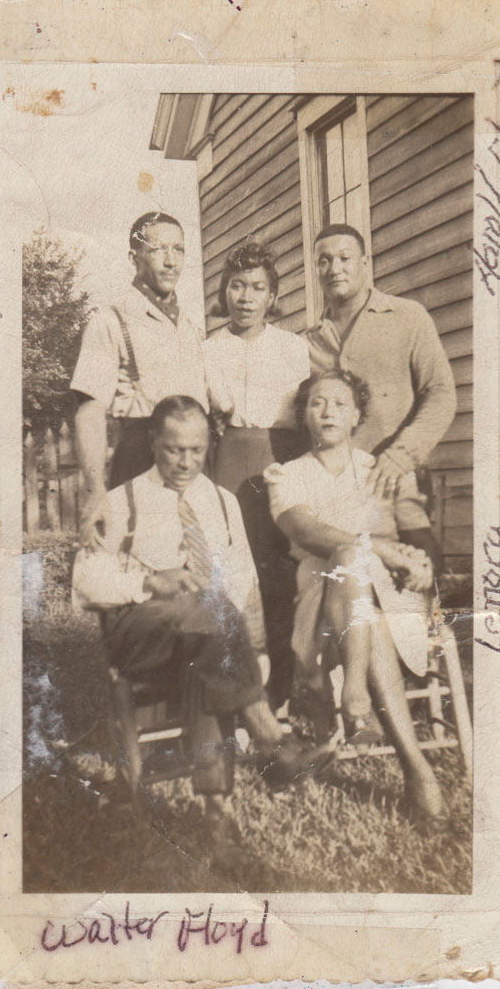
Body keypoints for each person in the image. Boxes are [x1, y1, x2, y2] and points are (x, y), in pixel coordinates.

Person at [73, 394, 333, 807]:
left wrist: (257, 650)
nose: (186, 462)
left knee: (212, 636)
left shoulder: (224, 503)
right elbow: (84, 584)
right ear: (154, 441)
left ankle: (216, 811)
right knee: (208, 617)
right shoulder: (122, 502)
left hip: (208, 636)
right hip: (139, 638)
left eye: (197, 450)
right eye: (175, 450)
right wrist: (148, 582)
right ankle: (270, 739)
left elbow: (243, 582)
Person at [264, 370, 443, 822]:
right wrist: (378, 547)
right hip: (322, 603)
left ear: (358, 415)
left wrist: (424, 565)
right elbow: (303, 529)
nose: (327, 411)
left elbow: (418, 533)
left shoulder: (379, 471)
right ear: (304, 416)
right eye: (317, 403)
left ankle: (356, 692)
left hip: (392, 595)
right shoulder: (287, 475)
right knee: (347, 555)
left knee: (368, 599)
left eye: (339, 404)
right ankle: (417, 772)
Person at [307, 223, 457, 570]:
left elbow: (441, 393)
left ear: (365, 261)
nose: (334, 269)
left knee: (420, 569)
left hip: (397, 480)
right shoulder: (311, 341)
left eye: (345, 258)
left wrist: (401, 455)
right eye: (324, 261)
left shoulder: (407, 317)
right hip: (338, 490)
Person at [203, 243, 310, 709]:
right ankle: (239, 685)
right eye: (237, 286)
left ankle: (284, 684)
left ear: (273, 295)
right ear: (224, 292)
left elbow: (302, 416)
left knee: (279, 570)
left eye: (258, 288)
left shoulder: (292, 347)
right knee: (230, 570)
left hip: (280, 457)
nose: (246, 297)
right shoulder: (207, 349)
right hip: (228, 457)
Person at [71, 212, 208, 546]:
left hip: (194, 463)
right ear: (135, 258)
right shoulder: (111, 320)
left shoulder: (191, 327)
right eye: (158, 249)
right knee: (139, 567)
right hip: (139, 460)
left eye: (179, 250)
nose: (171, 260)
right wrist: (95, 490)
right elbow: (89, 411)